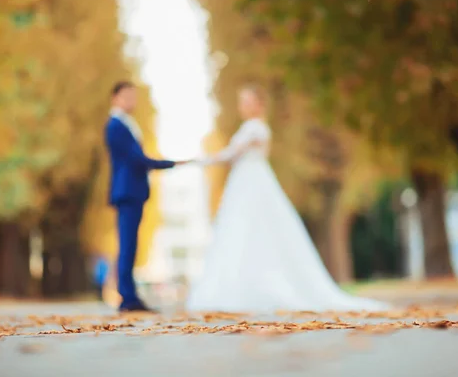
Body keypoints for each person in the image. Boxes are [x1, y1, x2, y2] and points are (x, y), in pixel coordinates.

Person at [186, 84, 389, 313]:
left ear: (259, 104)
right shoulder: (251, 127)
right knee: (243, 232)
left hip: (251, 182)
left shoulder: (255, 128)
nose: (242, 106)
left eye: (247, 101)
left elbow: (232, 154)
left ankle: (252, 288)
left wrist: (201, 160)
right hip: (245, 181)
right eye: (241, 101)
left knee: (250, 229)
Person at [105, 81, 188, 312]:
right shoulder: (116, 126)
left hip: (132, 191)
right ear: (115, 98)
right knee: (127, 244)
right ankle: (127, 297)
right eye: (127, 96)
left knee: (130, 244)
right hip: (128, 191)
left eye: (133, 96)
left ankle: (129, 294)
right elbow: (136, 160)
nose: (132, 100)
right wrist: (170, 163)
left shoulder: (125, 124)